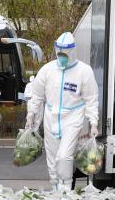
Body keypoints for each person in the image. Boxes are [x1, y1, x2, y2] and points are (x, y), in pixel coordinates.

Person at [26, 31, 98, 191]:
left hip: (72, 118)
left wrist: (93, 122)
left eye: (65, 54)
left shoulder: (84, 71)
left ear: (72, 52)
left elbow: (91, 99)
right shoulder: (47, 70)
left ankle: (66, 189)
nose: (62, 57)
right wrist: (31, 114)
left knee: (64, 156)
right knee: (52, 157)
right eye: (59, 53)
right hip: (51, 117)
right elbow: (37, 94)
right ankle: (55, 189)